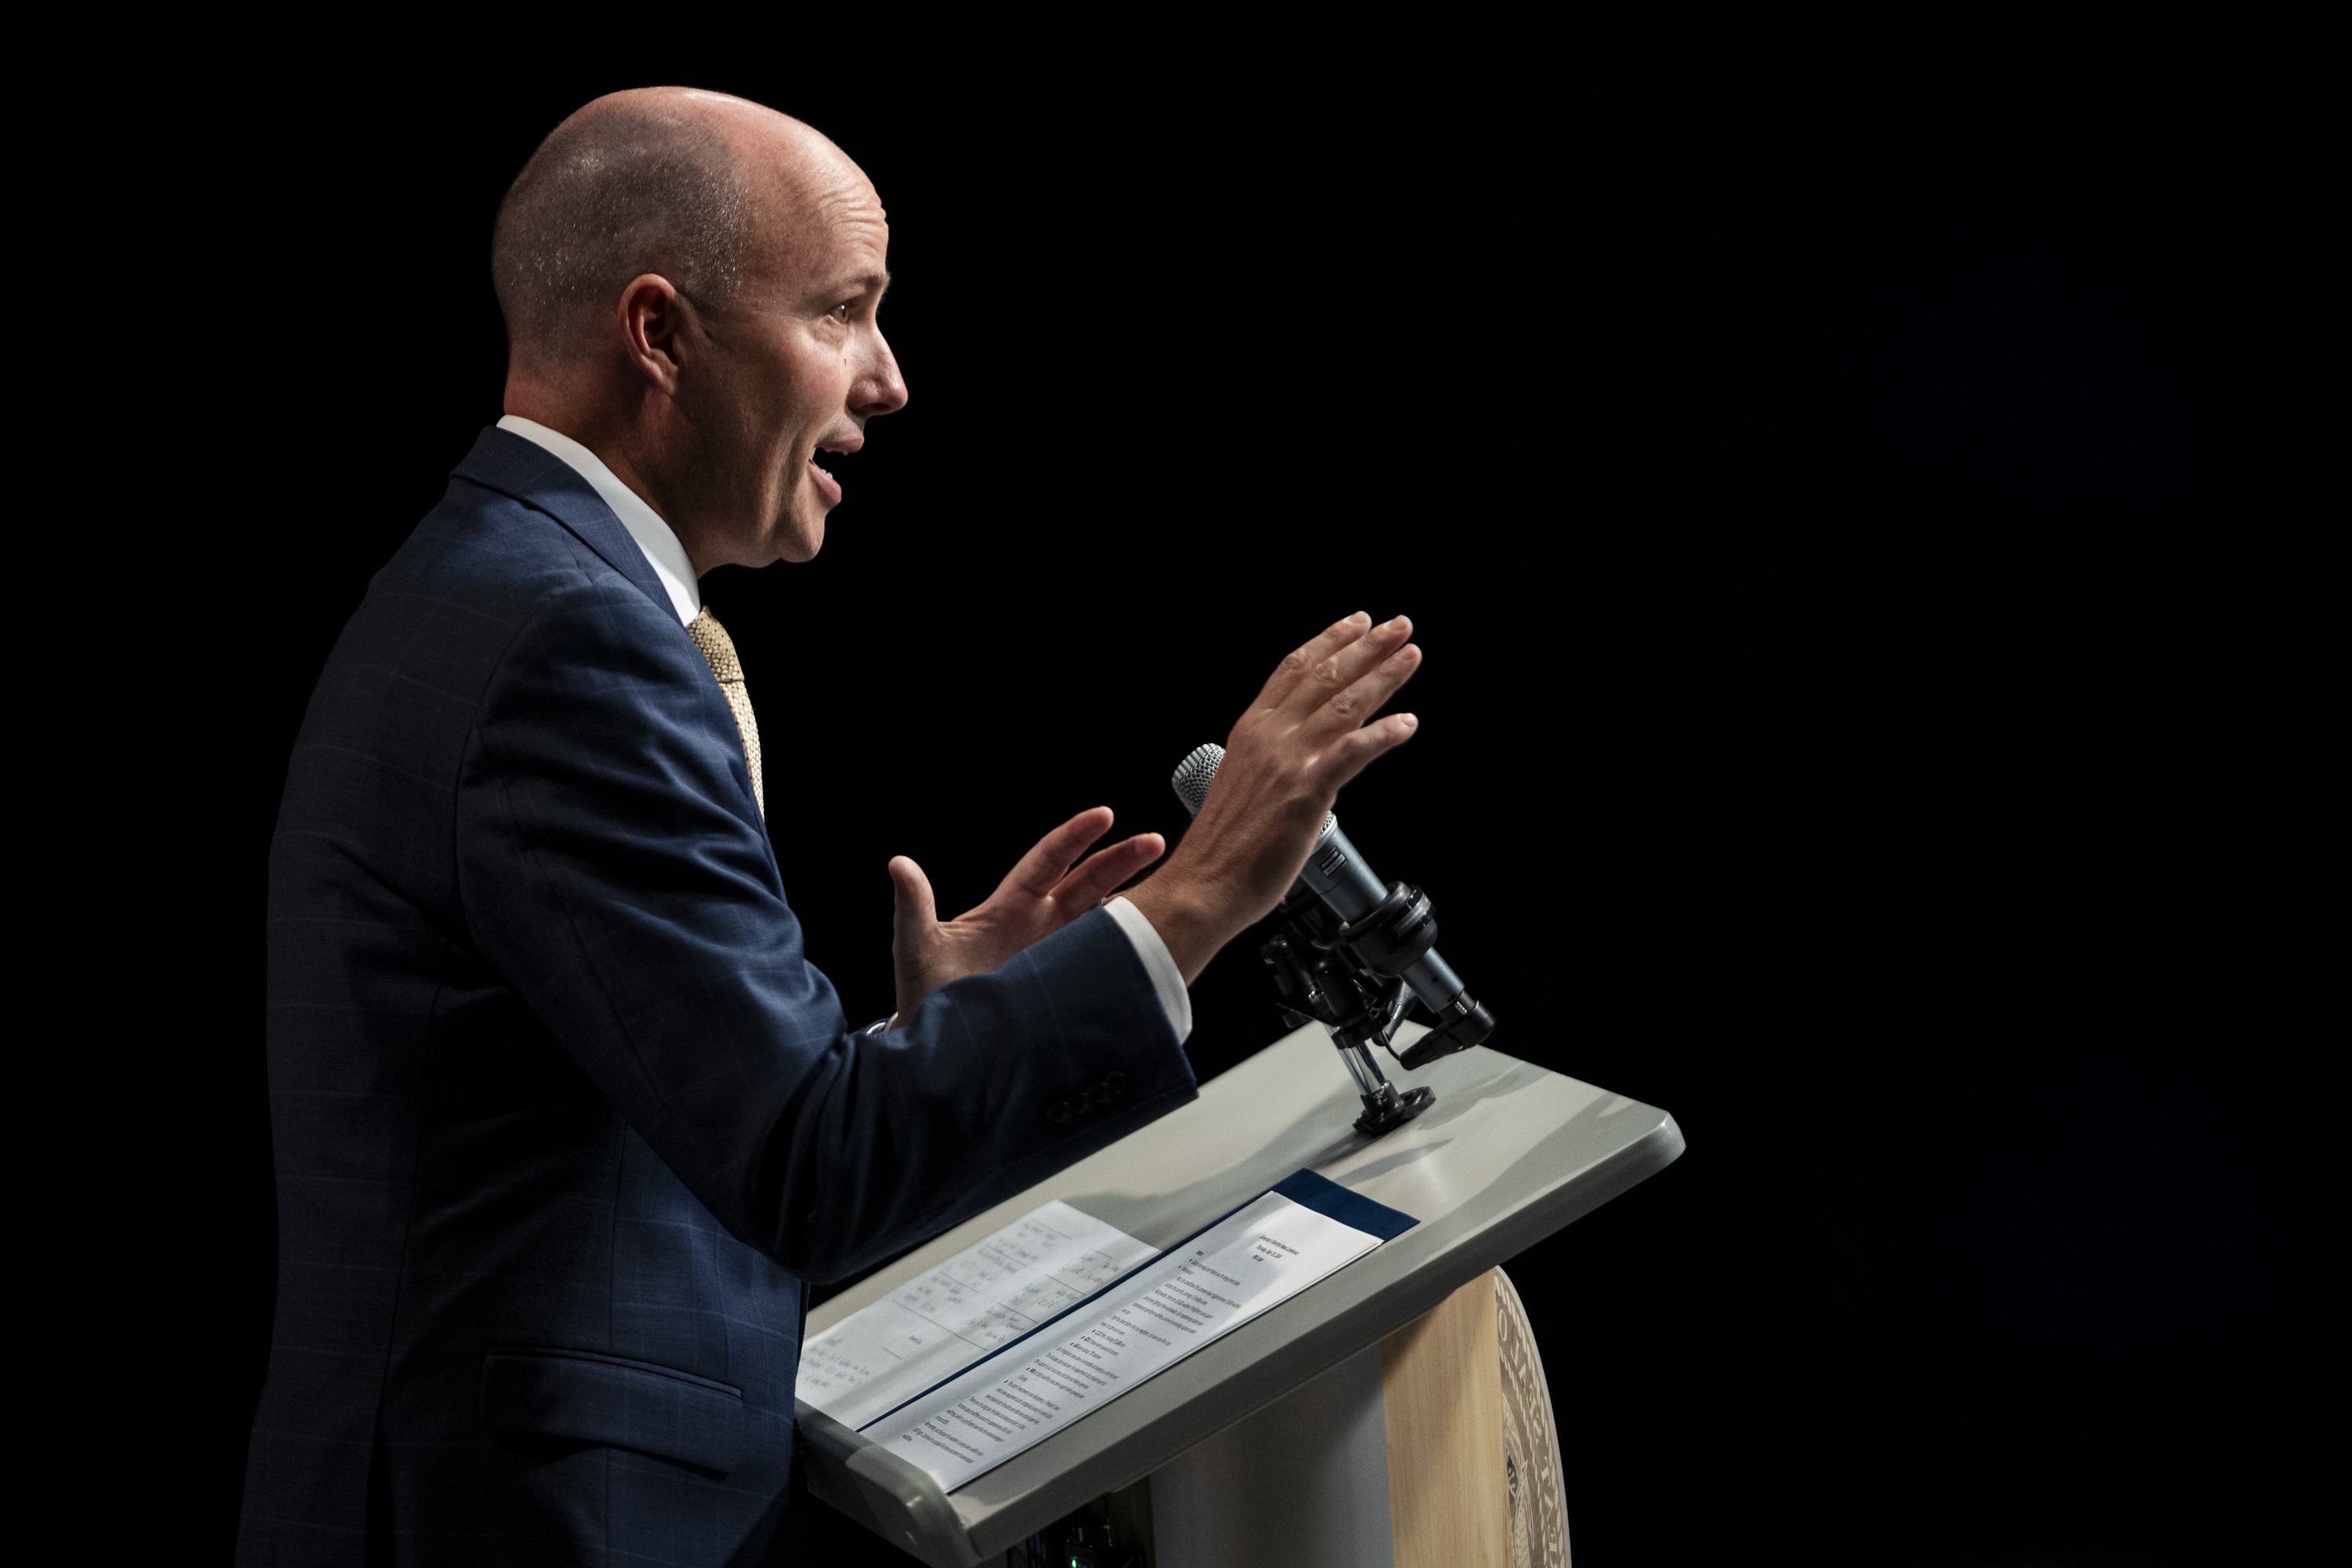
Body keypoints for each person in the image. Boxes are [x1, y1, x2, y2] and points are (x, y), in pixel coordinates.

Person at [237, 87, 1423, 1566]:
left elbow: (708, 1150)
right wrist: (1199, 900)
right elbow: (806, 1163)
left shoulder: (505, 588)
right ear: (659, 334)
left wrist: (933, 1048)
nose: (891, 380)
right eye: (845, 312)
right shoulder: (565, 641)